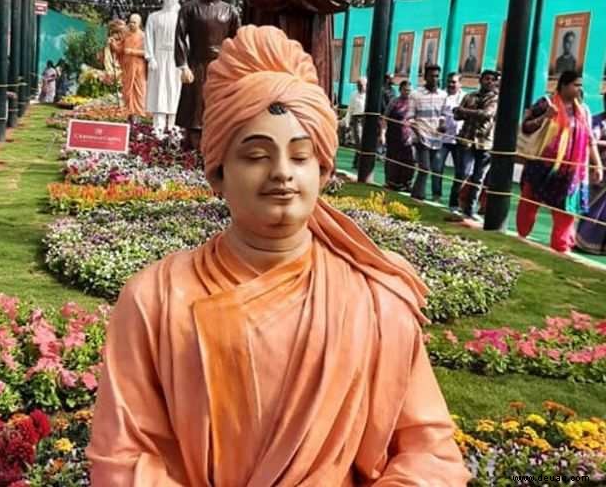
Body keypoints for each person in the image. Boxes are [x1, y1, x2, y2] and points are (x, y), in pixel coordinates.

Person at [87, 26, 470, 485]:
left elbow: (430, 454)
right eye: (256, 155)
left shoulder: (375, 300)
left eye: (301, 156)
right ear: (217, 174)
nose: (282, 173)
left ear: (324, 170)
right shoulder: (156, 298)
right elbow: (122, 458)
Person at [517, 71, 603, 253]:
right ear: (563, 85)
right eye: (576, 85)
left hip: (570, 172)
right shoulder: (545, 103)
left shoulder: (583, 111)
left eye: (580, 85)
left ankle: (561, 247)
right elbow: (526, 127)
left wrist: (596, 165)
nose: (579, 89)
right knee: (529, 203)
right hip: (542, 167)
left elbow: (589, 139)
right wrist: (545, 117)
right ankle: (521, 237)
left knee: (566, 210)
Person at [175, 0, 240, 150]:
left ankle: (216, 149)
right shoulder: (189, 9)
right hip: (196, 65)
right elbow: (179, 37)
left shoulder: (231, 11)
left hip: (221, 69)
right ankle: (192, 149)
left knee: (218, 109)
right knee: (194, 111)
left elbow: (238, 42)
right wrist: (183, 65)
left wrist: (235, 69)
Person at [448, 70, 499, 220]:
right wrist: (464, 112)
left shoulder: (495, 99)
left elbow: (487, 114)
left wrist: (464, 111)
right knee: (462, 174)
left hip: (485, 143)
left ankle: (470, 210)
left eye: (492, 80)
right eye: (486, 79)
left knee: (478, 178)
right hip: (466, 140)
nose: (489, 82)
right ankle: (454, 205)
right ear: (480, 80)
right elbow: (456, 115)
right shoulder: (469, 96)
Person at [145, 0, 183, 136]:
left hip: (176, 59)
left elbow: (186, 39)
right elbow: (148, 38)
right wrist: (150, 57)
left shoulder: (182, 17)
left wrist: (185, 61)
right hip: (159, 58)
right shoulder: (154, 17)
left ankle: (173, 125)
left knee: (174, 89)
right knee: (159, 88)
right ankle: (158, 125)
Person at [408, 63, 448, 201]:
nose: (434, 79)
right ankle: (418, 196)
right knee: (424, 167)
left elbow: (443, 114)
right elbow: (410, 117)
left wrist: (442, 125)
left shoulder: (443, 95)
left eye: (437, 76)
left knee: (431, 168)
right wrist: (418, 132)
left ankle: (420, 193)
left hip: (436, 138)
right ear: (425, 77)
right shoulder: (416, 95)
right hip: (421, 136)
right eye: (431, 76)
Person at [575, 108, 606, 254]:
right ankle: (586, 242)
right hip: (598, 172)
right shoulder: (597, 120)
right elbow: (589, 140)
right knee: (594, 209)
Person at [110, 13, 146, 118]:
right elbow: (120, 50)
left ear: (139, 23)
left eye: (134, 22)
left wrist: (132, 52)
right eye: (130, 22)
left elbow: (147, 53)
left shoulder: (143, 36)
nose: (131, 24)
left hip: (139, 69)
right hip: (127, 68)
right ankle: (129, 113)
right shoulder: (126, 35)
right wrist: (113, 44)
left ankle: (138, 114)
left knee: (139, 91)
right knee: (127, 90)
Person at [383, 79, 416, 191]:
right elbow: (385, 118)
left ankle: (406, 183)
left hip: (408, 137)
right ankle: (391, 182)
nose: (407, 92)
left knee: (408, 160)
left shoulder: (413, 103)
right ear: (400, 90)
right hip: (393, 136)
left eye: (409, 90)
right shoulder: (394, 102)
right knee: (392, 159)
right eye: (405, 90)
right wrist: (382, 134)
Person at [439, 72, 465, 201]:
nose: (451, 84)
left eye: (454, 82)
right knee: (437, 168)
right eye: (449, 81)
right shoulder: (441, 95)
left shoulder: (465, 98)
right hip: (442, 139)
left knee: (460, 172)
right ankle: (436, 195)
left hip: (459, 139)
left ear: (460, 83)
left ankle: (454, 200)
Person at [342, 77, 366, 168]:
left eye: (362, 85)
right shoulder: (353, 95)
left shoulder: (369, 95)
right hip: (357, 119)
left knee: (364, 142)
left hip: (366, 119)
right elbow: (350, 109)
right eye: (359, 85)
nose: (360, 87)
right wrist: (347, 122)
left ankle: (357, 162)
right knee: (359, 141)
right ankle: (358, 163)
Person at [103, 20, 125, 85]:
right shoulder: (109, 44)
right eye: (116, 33)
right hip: (113, 71)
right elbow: (106, 59)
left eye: (122, 32)